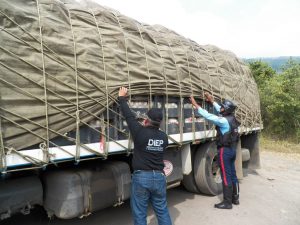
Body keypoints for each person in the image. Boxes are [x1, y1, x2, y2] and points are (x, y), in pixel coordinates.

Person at [118, 87, 172, 225]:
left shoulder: (139, 133)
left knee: (140, 213)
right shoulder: (164, 137)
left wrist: (121, 98)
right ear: (160, 122)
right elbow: (155, 136)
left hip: (142, 177)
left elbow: (129, 116)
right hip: (159, 177)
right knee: (162, 210)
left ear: (146, 120)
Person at [190, 93, 240, 209]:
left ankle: (227, 203)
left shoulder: (223, 121)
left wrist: (196, 105)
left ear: (226, 110)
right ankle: (235, 198)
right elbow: (220, 111)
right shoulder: (232, 118)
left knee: (226, 176)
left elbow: (208, 116)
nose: (221, 108)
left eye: (223, 107)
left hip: (225, 151)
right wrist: (212, 101)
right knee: (232, 175)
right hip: (232, 150)